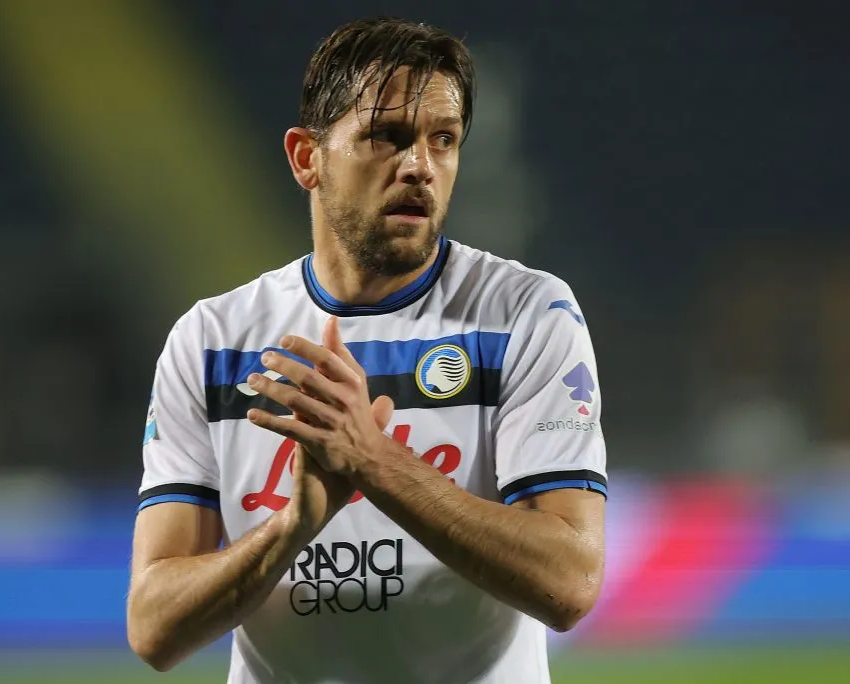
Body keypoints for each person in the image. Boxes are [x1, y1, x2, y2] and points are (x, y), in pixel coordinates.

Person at [127, 16, 607, 684]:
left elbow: (570, 582)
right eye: (387, 136)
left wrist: (374, 462)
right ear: (306, 158)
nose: (420, 166)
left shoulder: (523, 315)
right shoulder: (213, 344)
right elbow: (153, 628)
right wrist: (291, 528)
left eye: (444, 140)